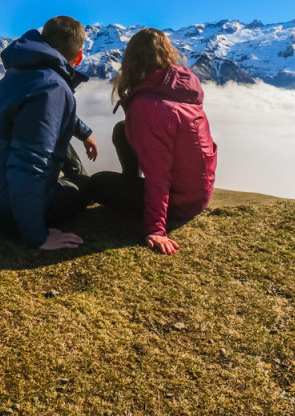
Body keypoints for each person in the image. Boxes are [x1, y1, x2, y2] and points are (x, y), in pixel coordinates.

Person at [0, 16, 98, 250]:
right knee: (88, 185)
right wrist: (37, 236)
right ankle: (78, 181)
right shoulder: (53, 86)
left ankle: (71, 180)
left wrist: (85, 133)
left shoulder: (22, 71)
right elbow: (28, 165)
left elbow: (52, 115)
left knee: (56, 132)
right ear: (80, 56)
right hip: (7, 212)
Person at [87, 28, 217, 255]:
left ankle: (133, 190)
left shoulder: (148, 105)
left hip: (180, 202)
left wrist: (156, 228)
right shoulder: (184, 84)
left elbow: (158, 172)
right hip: (197, 191)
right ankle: (131, 182)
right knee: (122, 130)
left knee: (97, 183)